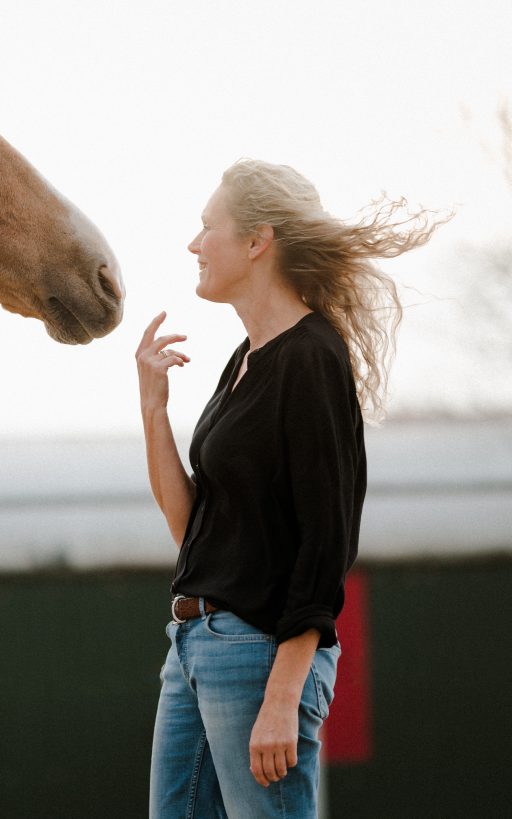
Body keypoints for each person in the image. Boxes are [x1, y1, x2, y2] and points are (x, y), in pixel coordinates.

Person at [138, 159, 442, 818]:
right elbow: (191, 531)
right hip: (193, 644)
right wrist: (153, 407)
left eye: (206, 227)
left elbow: (326, 540)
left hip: (256, 654)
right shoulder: (244, 359)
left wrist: (283, 694)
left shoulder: (311, 357)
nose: (193, 245)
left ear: (257, 241)